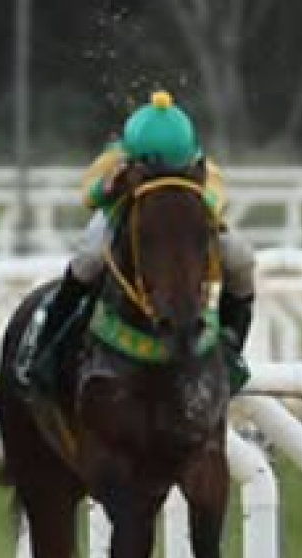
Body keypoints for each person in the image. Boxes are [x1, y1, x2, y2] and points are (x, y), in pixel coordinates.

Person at [19, 90, 255, 387]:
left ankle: (232, 343)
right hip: (122, 219)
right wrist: (108, 188)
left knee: (241, 259)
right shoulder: (115, 160)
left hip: (185, 229)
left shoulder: (202, 166)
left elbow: (216, 198)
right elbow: (89, 196)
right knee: (89, 257)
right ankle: (48, 342)